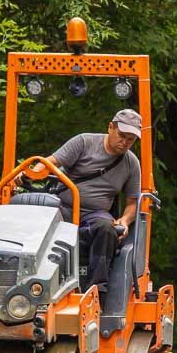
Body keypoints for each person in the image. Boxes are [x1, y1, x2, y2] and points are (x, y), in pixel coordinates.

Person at [28, 109, 142, 303]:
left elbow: (132, 203)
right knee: (38, 220)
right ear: (110, 127)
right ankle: (34, 283)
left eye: (131, 140)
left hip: (94, 214)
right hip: (63, 207)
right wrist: (32, 173)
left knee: (107, 228)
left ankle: (97, 292)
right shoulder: (84, 142)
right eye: (122, 136)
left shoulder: (131, 163)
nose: (125, 142)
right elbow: (50, 162)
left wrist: (125, 220)